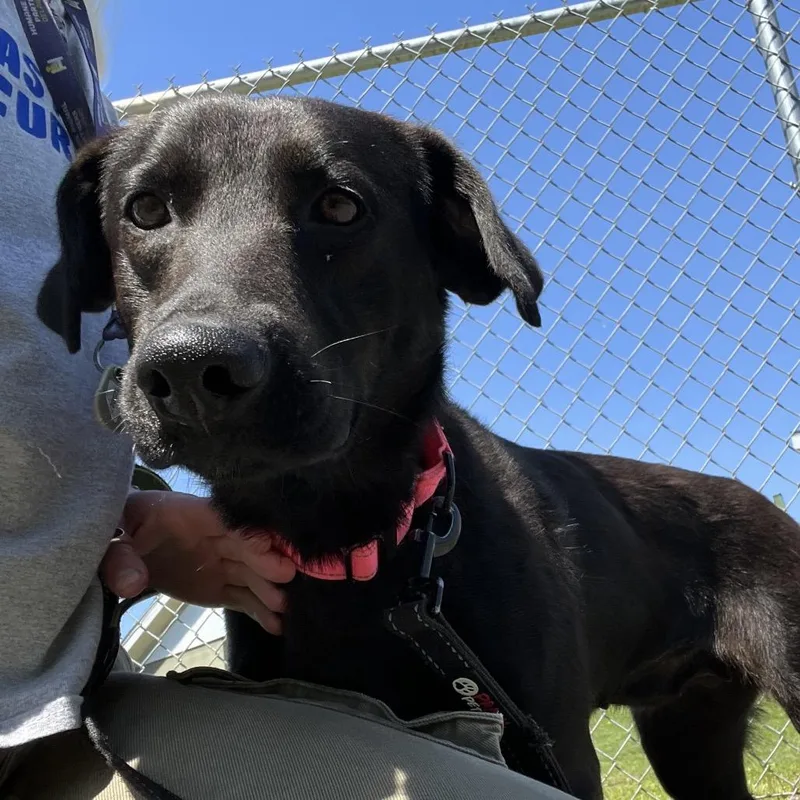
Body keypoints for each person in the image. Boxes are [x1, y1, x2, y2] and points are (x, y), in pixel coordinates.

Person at [0, 2, 576, 797]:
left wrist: (127, 506)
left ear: (450, 252)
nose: (200, 337)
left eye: (337, 209)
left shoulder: (63, 45)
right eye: (148, 213)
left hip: (71, 694)